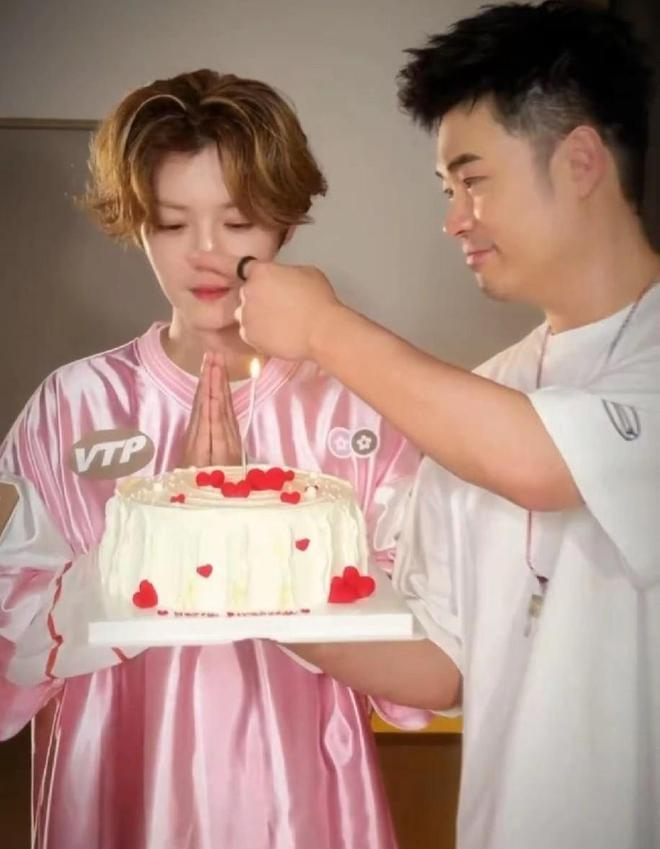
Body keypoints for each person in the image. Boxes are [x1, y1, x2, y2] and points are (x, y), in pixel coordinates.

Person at [213, 3, 659, 848]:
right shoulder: (484, 399)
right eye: (446, 190)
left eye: (473, 180)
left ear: (581, 161)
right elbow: (441, 663)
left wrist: (323, 329)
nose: (453, 218)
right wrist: (245, 591)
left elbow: (541, 462)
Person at [0, 69, 425, 849]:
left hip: (300, 798)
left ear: (283, 225)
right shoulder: (72, 405)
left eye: (237, 221)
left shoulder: (354, 404)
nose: (205, 253)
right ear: (137, 225)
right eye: (171, 223)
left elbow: (423, 649)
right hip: (119, 784)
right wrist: (168, 527)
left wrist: (245, 528)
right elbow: (10, 645)